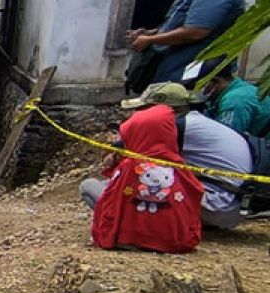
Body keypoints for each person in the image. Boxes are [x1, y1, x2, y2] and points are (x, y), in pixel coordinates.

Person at [81, 82, 252, 229]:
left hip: (219, 203)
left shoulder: (175, 128)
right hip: (233, 203)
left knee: (93, 188)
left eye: (144, 109)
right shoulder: (195, 123)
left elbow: (133, 167)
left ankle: (138, 230)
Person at [86, 103, 203, 253]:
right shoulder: (179, 167)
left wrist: (100, 233)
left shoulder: (129, 166)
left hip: (131, 238)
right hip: (175, 242)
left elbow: (109, 202)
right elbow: (195, 194)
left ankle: (131, 237)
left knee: (90, 186)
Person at [193, 57, 270, 136]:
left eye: (199, 85)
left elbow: (224, 137)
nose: (195, 90)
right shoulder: (238, 87)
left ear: (215, 81)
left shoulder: (234, 101)